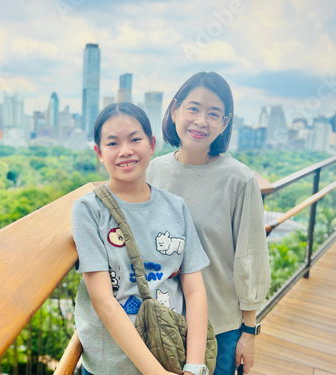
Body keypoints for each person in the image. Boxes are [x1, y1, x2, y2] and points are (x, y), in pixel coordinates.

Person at [146, 72, 271, 375]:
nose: (201, 121)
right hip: (163, 321)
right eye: (193, 108)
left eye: (213, 113)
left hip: (220, 326)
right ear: (175, 110)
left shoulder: (238, 180)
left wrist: (249, 332)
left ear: (225, 122)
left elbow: (250, 257)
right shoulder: (154, 171)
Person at [72, 102, 211, 375]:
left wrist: (194, 366)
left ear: (152, 144)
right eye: (113, 143)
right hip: (112, 366)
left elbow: (194, 289)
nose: (125, 150)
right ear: (99, 153)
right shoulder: (89, 210)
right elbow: (103, 301)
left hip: (172, 355)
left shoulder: (176, 208)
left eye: (135, 139)